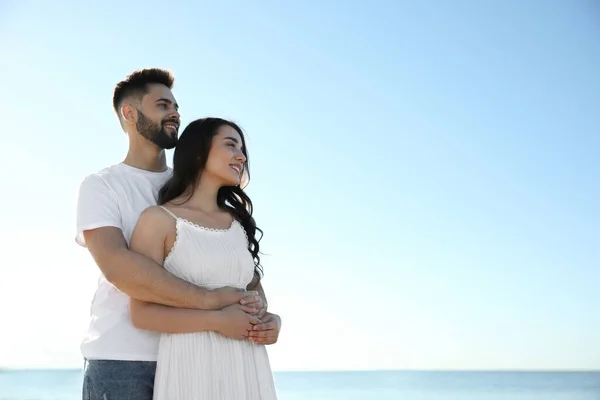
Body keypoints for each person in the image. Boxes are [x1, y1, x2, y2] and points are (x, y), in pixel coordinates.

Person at [75, 68, 280, 400]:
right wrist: (213, 304)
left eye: (176, 106)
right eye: (162, 105)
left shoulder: (196, 191)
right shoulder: (103, 185)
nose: (175, 113)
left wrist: (261, 316)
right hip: (125, 357)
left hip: (197, 355)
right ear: (130, 113)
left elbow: (240, 275)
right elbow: (118, 267)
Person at [129, 117, 278, 399]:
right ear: (199, 151)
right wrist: (218, 321)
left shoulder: (238, 223)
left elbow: (254, 294)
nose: (242, 156)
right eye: (230, 145)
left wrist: (272, 321)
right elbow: (141, 314)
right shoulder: (159, 220)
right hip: (193, 368)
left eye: (243, 149)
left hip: (248, 366)